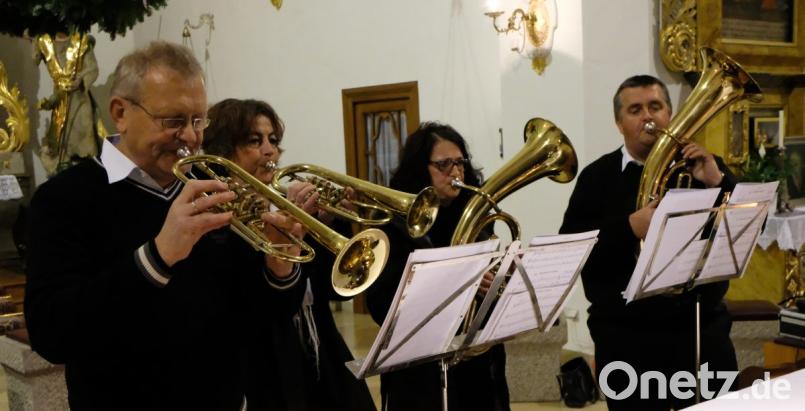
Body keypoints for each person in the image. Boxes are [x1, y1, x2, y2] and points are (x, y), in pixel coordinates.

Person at [24, 42, 305, 411]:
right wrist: (157, 257)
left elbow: (262, 318)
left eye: (197, 121)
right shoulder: (63, 198)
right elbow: (52, 334)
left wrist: (279, 264)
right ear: (120, 113)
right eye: (173, 121)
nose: (190, 137)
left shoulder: (217, 185)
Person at [559, 75, 738, 410]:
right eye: (635, 109)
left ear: (670, 114)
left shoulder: (704, 167)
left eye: (655, 106)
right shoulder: (597, 178)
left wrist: (718, 180)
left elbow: (751, 227)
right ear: (619, 122)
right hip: (627, 336)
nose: (647, 117)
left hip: (700, 330)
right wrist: (629, 227)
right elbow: (570, 249)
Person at [203, 98, 376, 411]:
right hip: (266, 367)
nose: (269, 151)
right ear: (223, 150)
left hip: (322, 356)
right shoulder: (217, 219)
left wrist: (325, 224)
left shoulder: (282, 203)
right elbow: (252, 304)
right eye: (254, 141)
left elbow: (328, 289)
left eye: (273, 140)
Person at [366, 122, 510, 411]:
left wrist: (497, 281)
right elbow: (379, 304)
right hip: (421, 372)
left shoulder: (475, 213)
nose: (455, 172)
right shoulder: (394, 224)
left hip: (477, 364)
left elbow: (492, 289)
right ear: (421, 169)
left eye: (460, 163)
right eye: (444, 164)